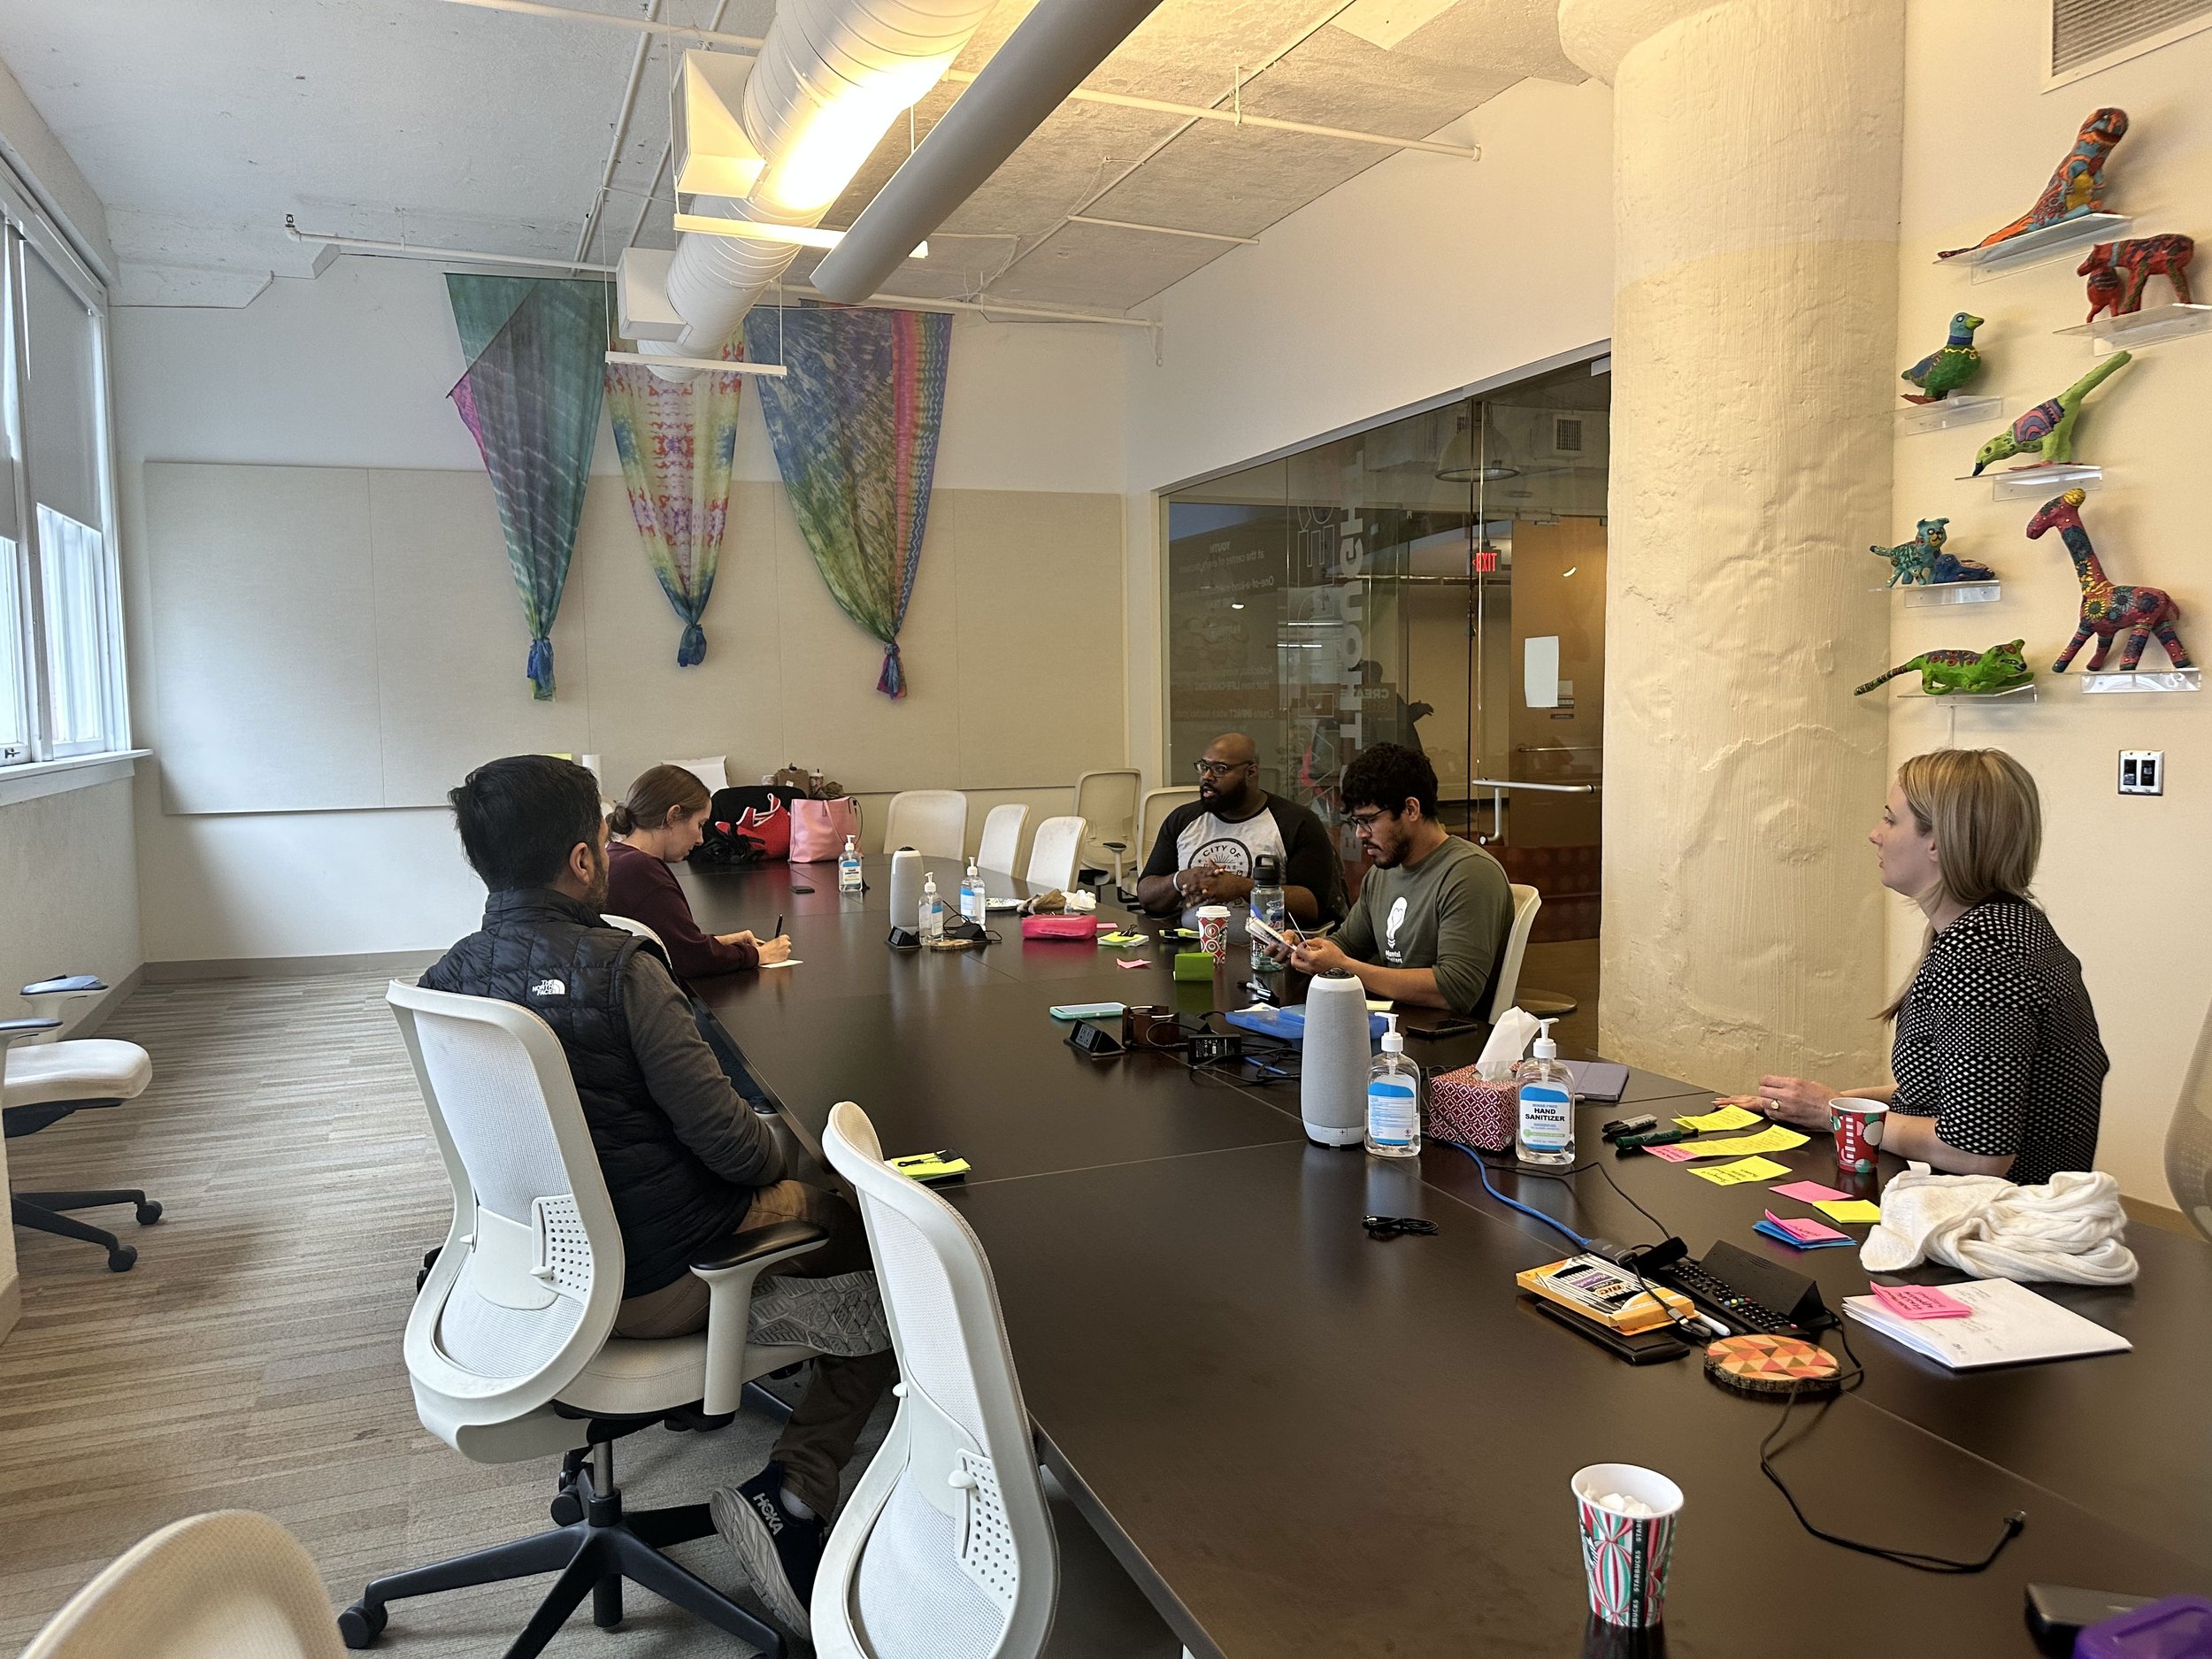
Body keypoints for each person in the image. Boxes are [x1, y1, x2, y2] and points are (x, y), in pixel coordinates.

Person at [422, 756, 890, 1636]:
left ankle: (778, 1364)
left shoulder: (446, 981)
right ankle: (792, 1493)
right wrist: (792, 1147)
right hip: (655, 1276)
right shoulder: (621, 968)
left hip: (530, 1274)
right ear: (583, 859)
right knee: (874, 1235)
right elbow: (733, 1150)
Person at [1755, 748, 2105, 1183]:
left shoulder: (1981, 955)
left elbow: (1978, 1153)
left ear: (1938, 840)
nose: (1875, 834)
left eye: (1890, 820)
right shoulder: (2007, 925)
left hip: (1997, 1213)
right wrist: (1810, 1104)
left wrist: (1831, 1112)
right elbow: (1947, 1091)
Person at [1279, 741, 1511, 1016]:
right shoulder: (1383, 872)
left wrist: (1344, 965)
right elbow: (1348, 945)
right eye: (1356, 822)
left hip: (1448, 1033)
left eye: (1369, 820)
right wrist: (1304, 949)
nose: (1360, 834)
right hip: (1392, 1022)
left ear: (1411, 809)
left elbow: (1455, 990)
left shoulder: (1470, 874)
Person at [1134, 732, 1340, 934]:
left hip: (1266, 951)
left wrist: (1244, 888)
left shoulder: (1297, 823)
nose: (1207, 776)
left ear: (1251, 772)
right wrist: (1180, 880)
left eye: (1220, 769)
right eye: (1204, 767)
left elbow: (1313, 907)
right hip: (1190, 947)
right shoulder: (1182, 820)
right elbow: (1146, 895)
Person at [605, 764, 792, 981]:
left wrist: (718, 943)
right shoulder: (642, 872)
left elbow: (670, 943)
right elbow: (691, 960)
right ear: (673, 816)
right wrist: (759, 955)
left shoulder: (616, 857)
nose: (701, 839)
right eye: (700, 825)